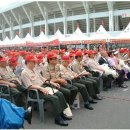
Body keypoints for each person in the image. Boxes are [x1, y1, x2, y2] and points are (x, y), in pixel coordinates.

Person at [21, 54, 69, 126]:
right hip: (34, 92)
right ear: (28, 62)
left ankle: (61, 113)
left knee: (60, 94)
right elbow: (29, 86)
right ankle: (57, 118)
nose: (35, 63)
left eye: (35, 62)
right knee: (54, 98)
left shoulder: (34, 69)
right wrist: (41, 88)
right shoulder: (24, 73)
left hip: (42, 87)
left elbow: (42, 79)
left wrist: (53, 83)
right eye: (33, 62)